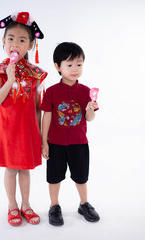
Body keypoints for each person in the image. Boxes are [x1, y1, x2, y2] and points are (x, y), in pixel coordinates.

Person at [0, 11, 47, 226]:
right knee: (11, 169)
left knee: (26, 170)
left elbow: (38, 108)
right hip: (9, 130)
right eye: (10, 38)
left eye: (22, 40)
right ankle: (12, 206)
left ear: (30, 45)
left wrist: (40, 136)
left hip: (28, 130)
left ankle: (26, 205)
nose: (15, 44)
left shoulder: (35, 73)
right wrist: (10, 79)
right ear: (3, 41)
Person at [41, 42, 100, 226]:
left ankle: (84, 204)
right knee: (54, 177)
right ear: (57, 66)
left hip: (79, 143)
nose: (75, 69)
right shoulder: (51, 92)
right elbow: (47, 118)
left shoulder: (86, 92)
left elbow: (89, 118)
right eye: (69, 64)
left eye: (79, 64)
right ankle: (54, 205)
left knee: (81, 177)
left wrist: (90, 108)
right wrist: (44, 142)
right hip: (56, 143)